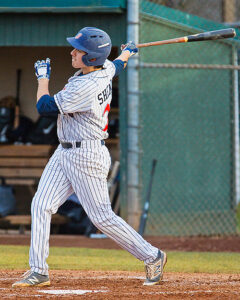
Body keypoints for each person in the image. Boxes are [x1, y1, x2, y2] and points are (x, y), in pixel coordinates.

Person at [12, 27, 167, 288]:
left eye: (79, 50)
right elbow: (117, 66)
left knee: (102, 218)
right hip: (64, 151)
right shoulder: (103, 68)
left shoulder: (85, 86)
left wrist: (42, 79)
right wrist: (127, 53)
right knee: (41, 205)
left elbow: (45, 107)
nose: (72, 52)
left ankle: (153, 256)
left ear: (91, 57)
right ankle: (38, 270)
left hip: (87, 155)